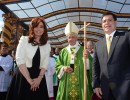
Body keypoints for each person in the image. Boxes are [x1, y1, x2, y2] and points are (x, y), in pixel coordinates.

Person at [6, 17, 51, 100]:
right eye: (36, 26)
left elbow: (45, 63)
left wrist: (39, 79)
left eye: (41, 26)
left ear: (44, 29)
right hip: (23, 76)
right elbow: (19, 59)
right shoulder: (24, 40)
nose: (39, 29)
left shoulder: (47, 45)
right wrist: (29, 80)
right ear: (32, 28)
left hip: (38, 78)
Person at [92, 12, 130, 100]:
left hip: (125, 88)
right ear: (101, 25)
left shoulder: (126, 37)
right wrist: (96, 85)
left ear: (115, 22)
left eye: (110, 20)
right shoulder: (98, 44)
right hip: (105, 89)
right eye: (104, 21)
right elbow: (95, 67)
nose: (107, 23)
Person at [55, 21, 93, 100]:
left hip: (81, 82)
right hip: (66, 81)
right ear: (67, 38)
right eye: (69, 37)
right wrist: (63, 68)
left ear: (76, 37)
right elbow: (57, 65)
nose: (71, 39)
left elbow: (91, 66)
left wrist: (86, 59)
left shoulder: (83, 50)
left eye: (73, 37)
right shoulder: (63, 51)